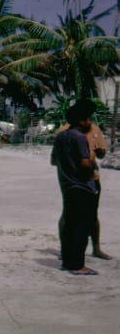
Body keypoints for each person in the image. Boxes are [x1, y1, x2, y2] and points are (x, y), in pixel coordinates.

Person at [55, 99, 111, 262]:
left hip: (91, 179)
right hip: (77, 180)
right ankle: (68, 251)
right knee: (70, 216)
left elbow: (101, 152)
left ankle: (96, 248)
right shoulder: (66, 132)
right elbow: (64, 160)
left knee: (92, 215)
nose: (90, 121)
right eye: (87, 117)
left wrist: (99, 153)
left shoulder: (94, 130)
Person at [51, 99, 99, 275]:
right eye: (88, 119)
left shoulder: (61, 136)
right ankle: (78, 265)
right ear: (81, 120)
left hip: (67, 184)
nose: (90, 123)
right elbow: (85, 163)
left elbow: (54, 160)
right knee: (82, 228)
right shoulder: (79, 137)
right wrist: (94, 163)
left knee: (70, 226)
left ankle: (68, 260)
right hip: (82, 186)